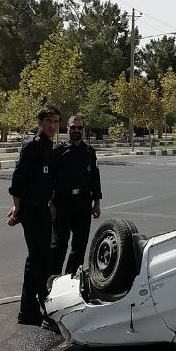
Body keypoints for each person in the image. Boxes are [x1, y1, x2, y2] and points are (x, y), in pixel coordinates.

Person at [8, 106, 59, 325]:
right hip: (31, 209)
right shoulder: (33, 147)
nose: (53, 125)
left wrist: (51, 202)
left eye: (56, 121)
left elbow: (46, 181)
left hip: (43, 209)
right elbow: (17, 181)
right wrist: (16, 208)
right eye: (49, 121)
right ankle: (45, 308)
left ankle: (28, 310)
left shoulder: (48, 146)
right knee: (40, 259)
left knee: (36, 259)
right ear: (40, 122)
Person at [49, 113, 102, 277]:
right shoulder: (58, 152)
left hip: (83, 202)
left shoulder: (89, 152)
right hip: (62, 202)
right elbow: (49, 179)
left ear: (83, 130)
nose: (76, 130)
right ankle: (52, 280)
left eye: (79, 127)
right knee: (59, 244)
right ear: (67, 129)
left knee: (80, 245)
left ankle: (71, 279)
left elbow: (95, 177)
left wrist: (97, 202)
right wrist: (50, 202)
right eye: (73, 127)